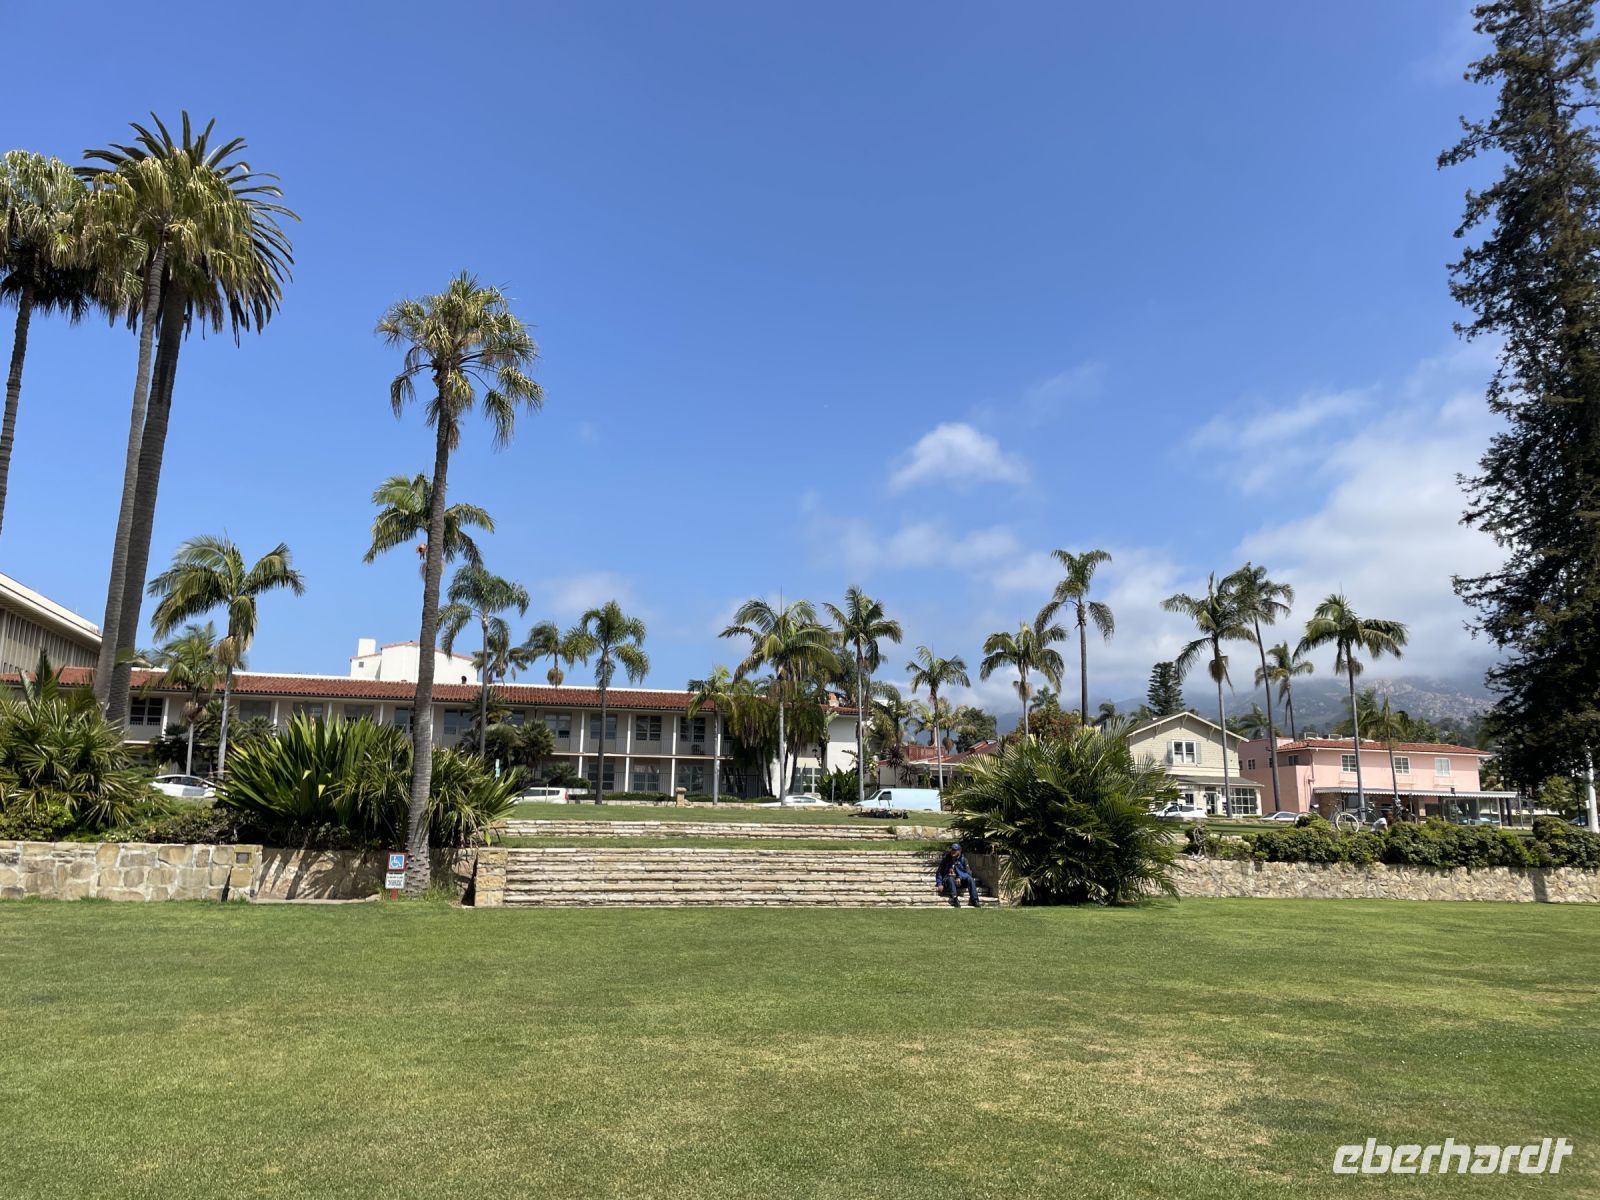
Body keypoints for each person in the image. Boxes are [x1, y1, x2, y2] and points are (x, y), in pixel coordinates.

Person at [936, 842, 980, 908]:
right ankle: (955, 899)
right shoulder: (946, 859)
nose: (953, 851)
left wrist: (960, 877)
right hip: (949, 881)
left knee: (970, 879)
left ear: (959, 850)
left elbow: (969, 873)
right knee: (950, 878)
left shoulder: (964, 860)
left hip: (961, 881)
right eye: (952, 849)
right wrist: (939, 883)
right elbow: (939, 872)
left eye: (955, 850)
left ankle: (975, 900)